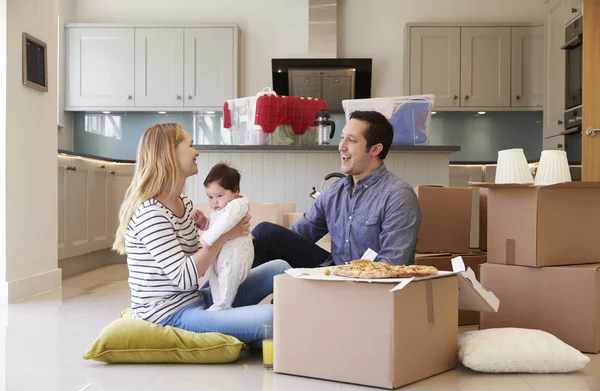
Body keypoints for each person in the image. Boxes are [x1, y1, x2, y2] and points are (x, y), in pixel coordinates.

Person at [112, 123, 289, 345]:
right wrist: (226, 235)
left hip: (194, 299)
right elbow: (186, 277)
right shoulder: (151, 214)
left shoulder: (183, 202)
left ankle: (305, 322)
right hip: (170, 315)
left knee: (280, 269)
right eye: (190, 145)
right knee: (272, 318)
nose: (196, 151)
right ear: (170, 153)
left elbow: (199, 259)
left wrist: (234, 246)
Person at [252, 110, 422, 268]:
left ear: (375, 149)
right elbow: (296, 236)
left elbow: (391, 264)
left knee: (265, 232)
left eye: (352, 140)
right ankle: (241, 297)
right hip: (334, 275)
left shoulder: (398, 196)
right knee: (264, 235)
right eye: (342, 138)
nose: (341, 146)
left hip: (373, 285)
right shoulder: (334, 192)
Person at [190, 163, 254, 312]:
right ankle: (217, 303)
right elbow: (215, 225)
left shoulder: (237, 206)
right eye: (210, 197)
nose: (215, 202)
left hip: (235, 255)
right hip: (220, 254)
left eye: (219, 196)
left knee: (228, 278)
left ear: (235, 191)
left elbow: (223, 226)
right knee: (215, 279)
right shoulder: (222, 207)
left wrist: (205, 240)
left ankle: (223, 305)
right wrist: (203, 222)